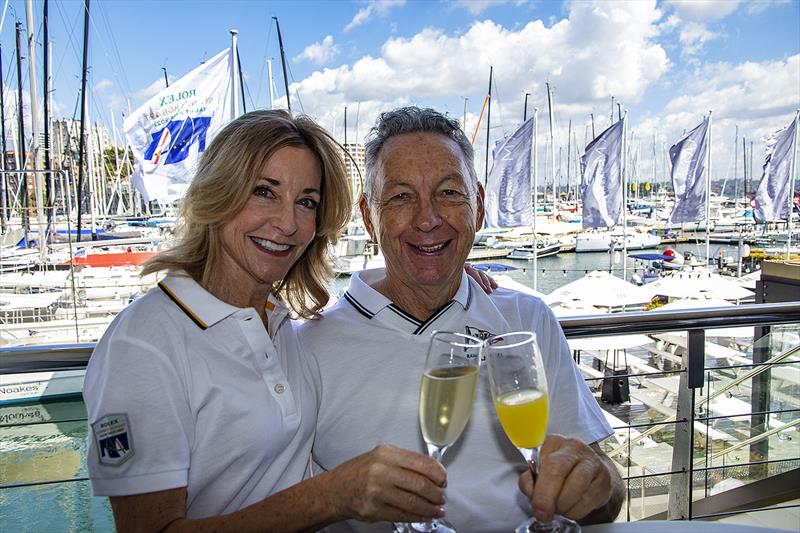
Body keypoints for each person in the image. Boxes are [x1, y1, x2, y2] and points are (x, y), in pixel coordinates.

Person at [84, 110, 457, 532]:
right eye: (264, 191)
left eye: (306, 202)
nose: (287, 223)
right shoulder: (144, 343)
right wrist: (330, 497)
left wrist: (454, 279)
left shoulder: (279, 323)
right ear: (217, 192)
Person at [298, 107, 625, 532]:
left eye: (449, 193)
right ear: (368, 217)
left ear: (479, 207)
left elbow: (608, 491)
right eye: (400, 197)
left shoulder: (527, 318)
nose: (428, 219)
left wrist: (597, 485)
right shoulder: (308, 344)